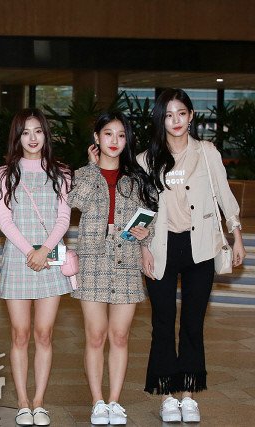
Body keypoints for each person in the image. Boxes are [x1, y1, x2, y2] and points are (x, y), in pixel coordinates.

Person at [138, 88, 245, 423]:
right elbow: (141, 210)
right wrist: (143, 248)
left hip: (200, 246)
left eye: (181, 113)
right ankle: (167, 395)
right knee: (162, 322)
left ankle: (188, 394)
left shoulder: (207, 152)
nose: (175, 121)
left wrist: (237, 235)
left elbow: (224, 195)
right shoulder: (145, 160)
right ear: (161, 119)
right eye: (169, 115)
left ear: (191, 116)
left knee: (193, 323)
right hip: (161, 247)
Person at [68, 111, 158, 425]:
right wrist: (92, 167)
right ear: (97, 138)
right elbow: (75, 202)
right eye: (108, 134)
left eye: (121, 135)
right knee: (95, 336)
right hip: (93, 259)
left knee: (119, 336)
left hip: (127, 259)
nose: (115, 141)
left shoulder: (137, 179)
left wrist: (146, 236)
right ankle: (98, 402)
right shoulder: (83, 174)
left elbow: (152, 216)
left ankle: (115, 401)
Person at [0, 108, 73, 426]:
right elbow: (4, 220)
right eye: (26, 132)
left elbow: (63, 217)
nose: (32, 138)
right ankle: (22, 402)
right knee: (20, 334)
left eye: (38, 131)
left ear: (45, 135)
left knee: (44, 334)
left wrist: (44, 250)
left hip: (50, 260)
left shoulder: (61, 173)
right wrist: (31, 251)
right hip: (18, 259)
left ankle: (39, 401)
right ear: (17, 136)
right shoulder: (5, 174)